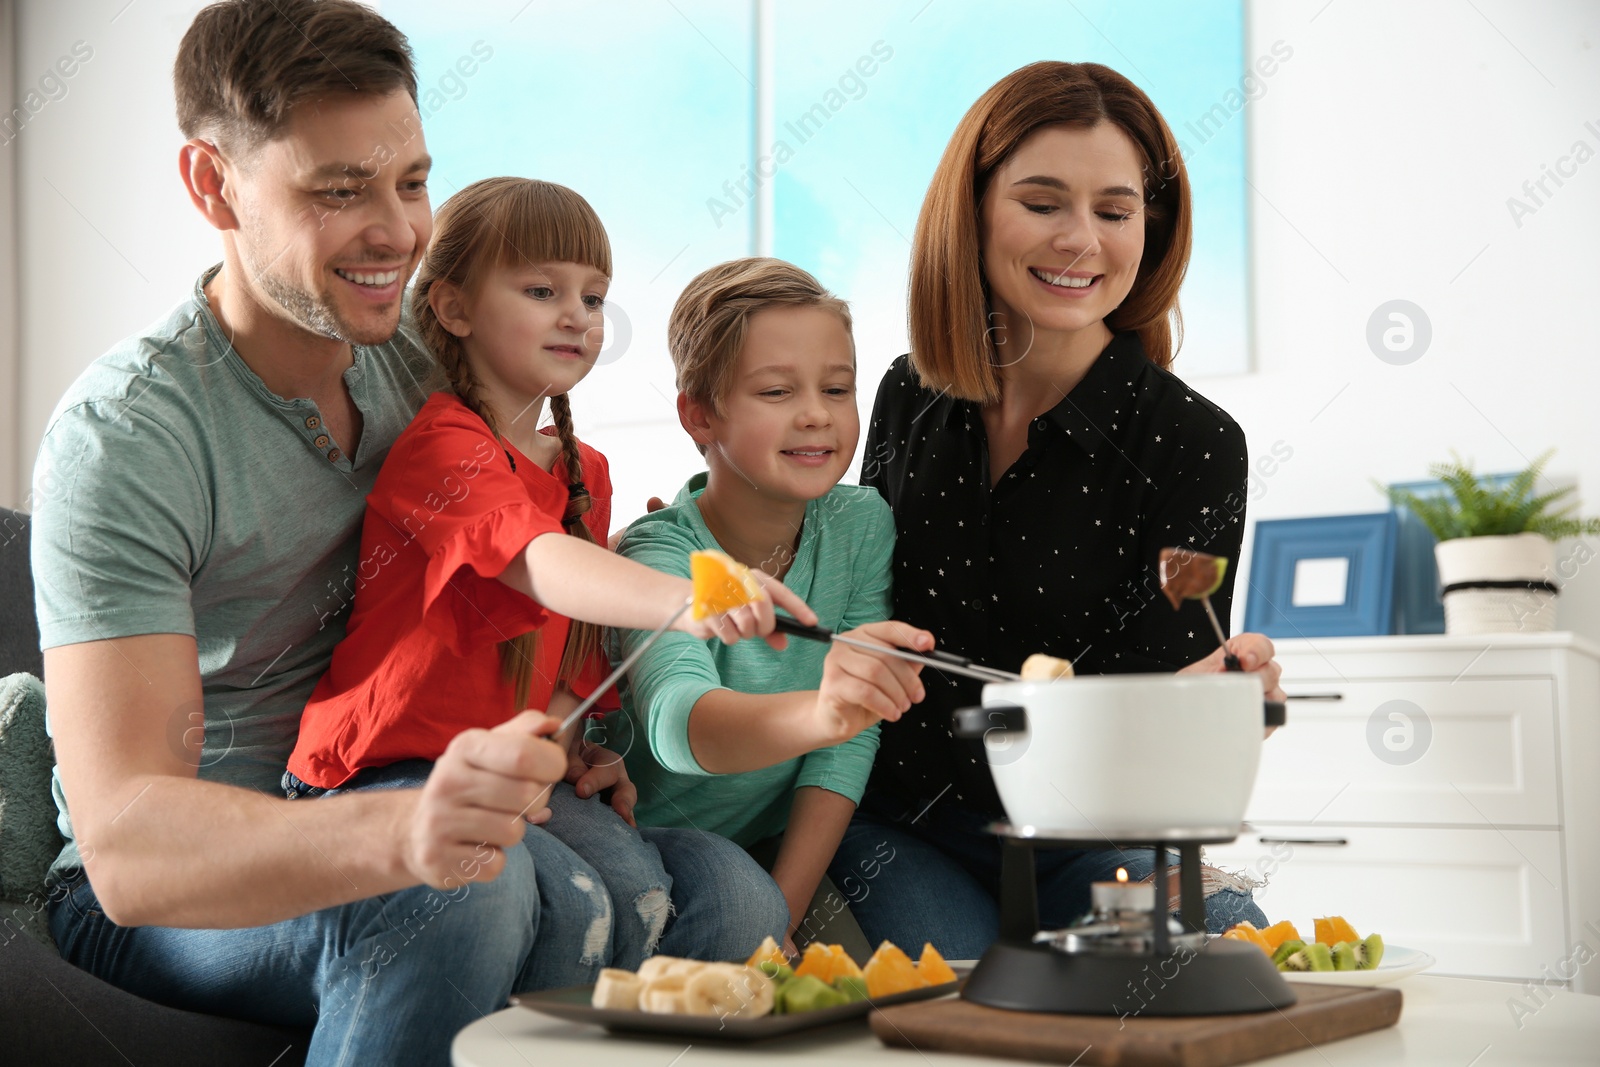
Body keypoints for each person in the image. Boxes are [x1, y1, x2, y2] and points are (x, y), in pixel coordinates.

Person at [30, 4, 804, 1064]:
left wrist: (576, 741)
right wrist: (407, 828)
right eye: (338, 190)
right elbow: (127, 851)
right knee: (455, 891)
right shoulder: (127, 437)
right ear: (213, 184)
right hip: (182, 887)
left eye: (409, 182)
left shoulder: (419, 356)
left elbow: (528, 560)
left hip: (415, 784)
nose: (395, 230)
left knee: (726, 887)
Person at [825, 61, 1286, 957]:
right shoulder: (904, 394)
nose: (1083, 240)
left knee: (1230, 941)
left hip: (1091, 840)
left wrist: (1216, 696)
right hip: (902, 822)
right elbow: (851, 583)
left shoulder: (1194, 443)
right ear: (975, 211)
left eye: (1114, 211)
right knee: (954, 983)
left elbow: (1162, 731)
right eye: (1043, 203)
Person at [283, 179, 796, 972]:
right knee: (581, 901)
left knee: (641, 886)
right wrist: (693, 595)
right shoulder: (440, 449)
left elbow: (566, 666)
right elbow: (540, 564)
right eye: (541, 290)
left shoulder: (587, 469)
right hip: (384, 773)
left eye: (593, 298)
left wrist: (572, 746)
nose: (578, 317)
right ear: (453, 308)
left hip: (513, 766)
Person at [610, 258, 932, 956]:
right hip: (642, 835)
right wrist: (825, 710)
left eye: (837, 387)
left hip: (766, 847)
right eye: (778, 390)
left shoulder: (860, 524)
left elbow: (844, 745)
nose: (816, 412)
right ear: (698, 412)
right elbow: (676, 725)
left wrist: (782, 911)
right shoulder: (658, 556)